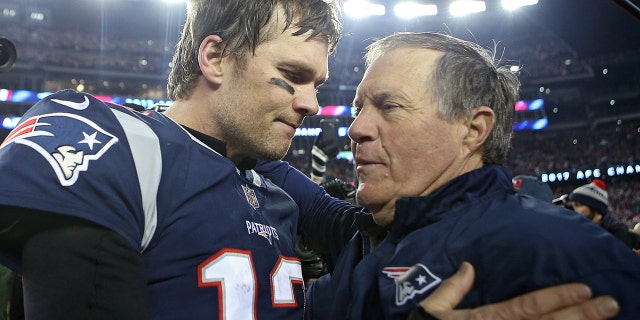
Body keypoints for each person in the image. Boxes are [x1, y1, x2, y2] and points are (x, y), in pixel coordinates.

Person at [0, 2, 622, 320]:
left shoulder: (278, 184)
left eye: (317, 84)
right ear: (215, 59)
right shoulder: (116, 142)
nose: (313, 107)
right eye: (291, 78)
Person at [264, 31, 639, 319]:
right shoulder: (366, 232)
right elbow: (278, 173)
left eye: (389, 106)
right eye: (359, 108)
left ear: (473, 129)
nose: (356, 128)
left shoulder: (561, 256)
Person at [568, 179, 640, 250]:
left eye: (578, 205)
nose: (574, 210)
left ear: (595, 209)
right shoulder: (574, 234)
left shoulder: (621, 236)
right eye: (573, 206)